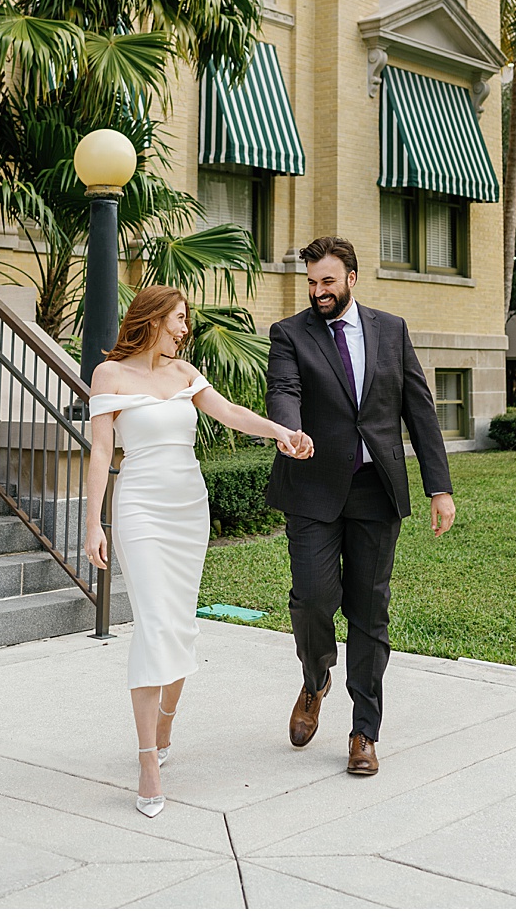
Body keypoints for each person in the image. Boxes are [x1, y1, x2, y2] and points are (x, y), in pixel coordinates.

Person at [84, 285, 314, 819]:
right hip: (140, 509)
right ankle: (148, 760)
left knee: (182, 626)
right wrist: (93, 522)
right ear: (155, 318)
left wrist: (283, 432)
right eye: (180, 319)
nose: (185, 328)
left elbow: (230, 412)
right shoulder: (110, 376)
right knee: (154, 626)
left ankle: (165, 723)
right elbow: (100, 451)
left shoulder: (185, 375)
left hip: (189, 510)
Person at [265, 235, 456, 776]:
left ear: (351, 278)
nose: (318, 292)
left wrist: (438, 487)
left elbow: (419, 408)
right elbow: (284, 389)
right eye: (311, 283)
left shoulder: (390, 330)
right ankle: (315, 678)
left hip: (376, 490)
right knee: (312, 599)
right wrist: (289, 430)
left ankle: (363, 732)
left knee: (369, 613)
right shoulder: (290, 333)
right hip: (311, 487)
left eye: (328, 281)